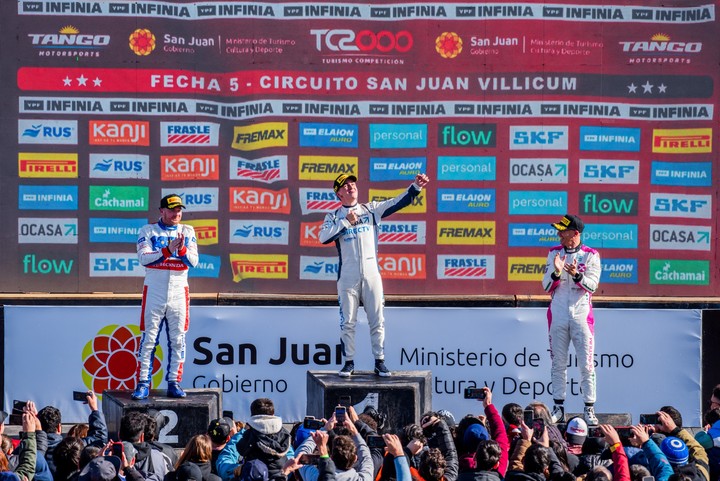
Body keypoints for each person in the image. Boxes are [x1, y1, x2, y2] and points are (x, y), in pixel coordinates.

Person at [320, 173, 431, 377]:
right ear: (339, 193)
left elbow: (397, 202)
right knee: (348, 322)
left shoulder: (370, 210)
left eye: (353, 183)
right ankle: (349, 362)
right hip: (347, 276)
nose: (351, 187)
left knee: (377, 319)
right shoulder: (333, 216)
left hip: (372, 273)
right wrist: (346, 222)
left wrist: (416, 187)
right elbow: (323, 237)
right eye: (345, 186)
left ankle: (379, 361)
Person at [132, 194, 199, 400]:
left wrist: (182, 249)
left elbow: (194, 261)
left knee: (178, 339)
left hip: (179, 291)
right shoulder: (148, 230)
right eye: (171, 210)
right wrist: (167, 250)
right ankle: (143, 383)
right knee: (149, 339)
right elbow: (144, 258)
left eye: (179, 210)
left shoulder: (187, 231)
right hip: (155, 290)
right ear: (162, 211)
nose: (176, 213)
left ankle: (174, 382)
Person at [541, 214, 601, 426]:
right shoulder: (553, 254)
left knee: (586, 363)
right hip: (557, 313)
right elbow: (546, 286)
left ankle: (589, 408)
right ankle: (558, 406)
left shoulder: (591, 255)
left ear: (575, 233)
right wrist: (556, 272)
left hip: (581, 314)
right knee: (558, 362)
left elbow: (593, 286)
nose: (559, 234)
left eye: (563, 231)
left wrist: (577, 275)